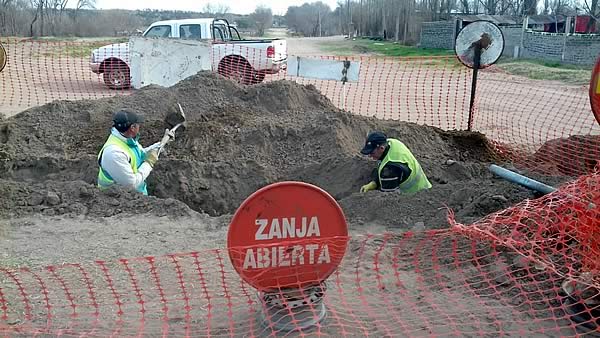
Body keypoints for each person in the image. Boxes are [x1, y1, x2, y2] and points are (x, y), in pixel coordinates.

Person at [97, 109, 173, 195]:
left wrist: (160, 144)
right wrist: (149, 163)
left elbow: (140, 154)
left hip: (136, 196)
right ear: (132, 128)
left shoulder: (126, 139)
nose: (140, 126)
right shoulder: (114, 154)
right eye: (138, 124)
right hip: (119, 200)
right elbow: (131, 184)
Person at [359, 131, 432, 194]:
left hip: (414, 197)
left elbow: (389, 199)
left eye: (372, 152)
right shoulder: (392, 142)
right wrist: (374, 183)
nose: (370, 155)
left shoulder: (390, 168)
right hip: (426, 188)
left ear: (381, 148)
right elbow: (382, 163)